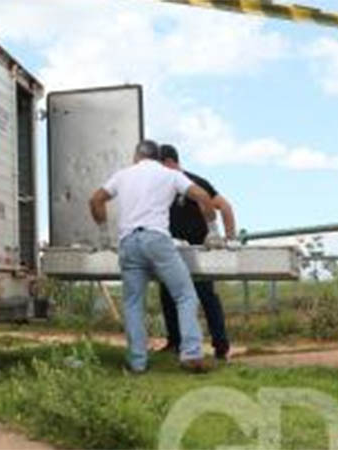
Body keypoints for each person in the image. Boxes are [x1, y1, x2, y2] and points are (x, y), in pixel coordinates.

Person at [89, 140, 217, 373]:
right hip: (157, 239)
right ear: (158, 157)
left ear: (136, 156)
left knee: (133, 303)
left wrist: (104, 235)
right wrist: (213, 231)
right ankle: (191, 354)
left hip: (128, 242)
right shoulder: (170, 175)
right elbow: (202, 195)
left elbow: (96, 199)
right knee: (185, 295)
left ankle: (137, 362)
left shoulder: (123, 175)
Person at [157, 144, 236, 360]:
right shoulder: (161, 187)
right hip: (172, 250)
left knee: (206, 295)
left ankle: (221, 346)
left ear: (169, 162)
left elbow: (225, 207)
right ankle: (174, 342)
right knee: (167, 294)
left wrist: (228, 239)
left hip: (199, 250)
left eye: (159, 165)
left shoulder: (194, 182)